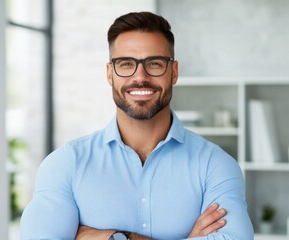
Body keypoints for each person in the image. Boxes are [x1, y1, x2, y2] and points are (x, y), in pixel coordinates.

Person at [20, 11, 253, 240]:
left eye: (154, 63)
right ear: (110, 74)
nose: (140, 77)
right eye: (125, 64)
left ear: (174, 72)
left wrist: (115, 237)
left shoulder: (216, 165)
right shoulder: (65, 163)